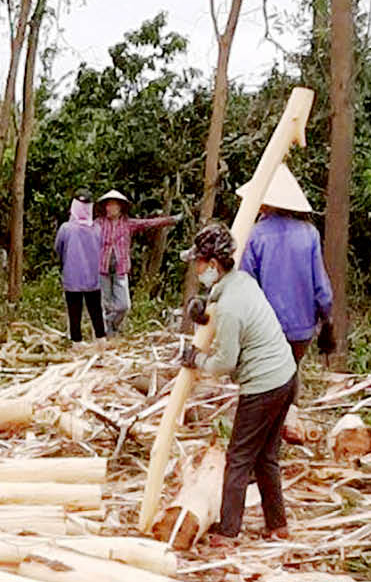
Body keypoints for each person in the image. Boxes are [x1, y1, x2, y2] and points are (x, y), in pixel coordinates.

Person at [178, 221, 299, 546]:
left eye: (200, 263)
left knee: (240, 457)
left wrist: (196, 360)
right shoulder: (241, 282)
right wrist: (205, 313)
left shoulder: (231, 306)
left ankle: (228, 531)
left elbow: (224, 362)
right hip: (285, 376)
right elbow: (225, 313)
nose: (198, 268)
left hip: (263, 385)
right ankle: (278, 525)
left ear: (213, 264)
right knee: (266, 456)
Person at [238, 164, 336, 386]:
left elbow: (246, 285)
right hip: (301, 328)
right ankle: (291, 414)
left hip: (266, 329)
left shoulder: (254, 235)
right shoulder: (309, 233)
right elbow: (321, 288)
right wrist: (326, 319)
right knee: (291, 377)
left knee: (267, 384)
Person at [94, 190, 178, 336]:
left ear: (120, 208)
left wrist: (171, 220)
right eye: (108, 205)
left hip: (120, 268)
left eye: (113, 205)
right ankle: (107, 334)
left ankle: (111, 324)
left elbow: (149, 223)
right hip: (102, 268)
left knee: (123, 305)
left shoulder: (127, 223)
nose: (110, 208)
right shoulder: (98, 223)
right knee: (104, 303)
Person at [55, 190, 106, 342]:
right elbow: (101, 247)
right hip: (92, 276)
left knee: (74, 311)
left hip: (72, 276)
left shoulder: (66, 228)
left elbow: (58, 248)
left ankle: (76, 342)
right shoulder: (97, 228)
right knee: (96, 309)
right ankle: (101, 340)